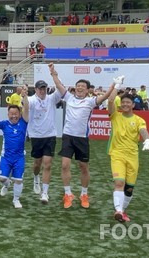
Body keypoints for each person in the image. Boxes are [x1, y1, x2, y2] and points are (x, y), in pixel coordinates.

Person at [51, 73, 119, 209]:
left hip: (82, 138)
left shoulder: (90, 101)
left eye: (83, 86)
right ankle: (68, 194)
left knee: (83, 167)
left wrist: (114, 85)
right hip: (68, 137)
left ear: (88, 90)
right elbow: (59, 85)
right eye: (78, 86)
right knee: (64, 165)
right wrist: (53, 73)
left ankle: (84, 194)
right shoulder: (68, 97)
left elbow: (105, 97)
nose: (80, 88)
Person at [107, 88, 149, 222]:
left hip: (133, 156)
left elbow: (143, 130)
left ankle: (122, 211)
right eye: (123, 102)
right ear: (120, 104)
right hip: (117, 154)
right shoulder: (115, 116)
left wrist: (148, 140)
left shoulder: (139, 120)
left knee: (129, 189)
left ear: (133, 105)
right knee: (119, 182)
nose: (125, 104)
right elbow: (109, 100)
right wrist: (116, 86)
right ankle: (118, 210)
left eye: (128, 102)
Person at [27, 63, 63, 204]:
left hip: (50, 136)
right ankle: (36, 178)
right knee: (37, 164)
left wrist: (54, 74)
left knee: (47, 164)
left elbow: (61, 89)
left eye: (44, 88)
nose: (42, 91)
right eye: (40, 88)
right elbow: (25, 106)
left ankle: (45, 193)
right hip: (36, 136)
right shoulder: (31, 100)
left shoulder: (52, 98)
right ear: (35, 89)